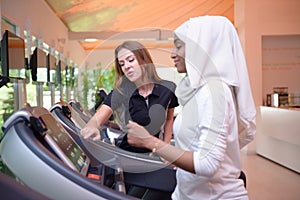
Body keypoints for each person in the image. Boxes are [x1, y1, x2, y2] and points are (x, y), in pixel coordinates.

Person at [126, 16, 256, 199]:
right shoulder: (198, 91)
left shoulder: (215, 92)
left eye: (179, 46)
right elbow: (195, 147)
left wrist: (149, 142)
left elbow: (207, 164)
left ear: (202, 47)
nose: (172, 53)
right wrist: (172, 155)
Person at [81, 41, 179, 153]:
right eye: (122, 64)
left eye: (131, 60)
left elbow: (169, 119)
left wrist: (166, 149)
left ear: (144, 60)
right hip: (128, 154)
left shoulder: (168, 88)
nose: (126, 66)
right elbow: (96, 119)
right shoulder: (121, 92)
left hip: (155, 153)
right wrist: (92, 127)